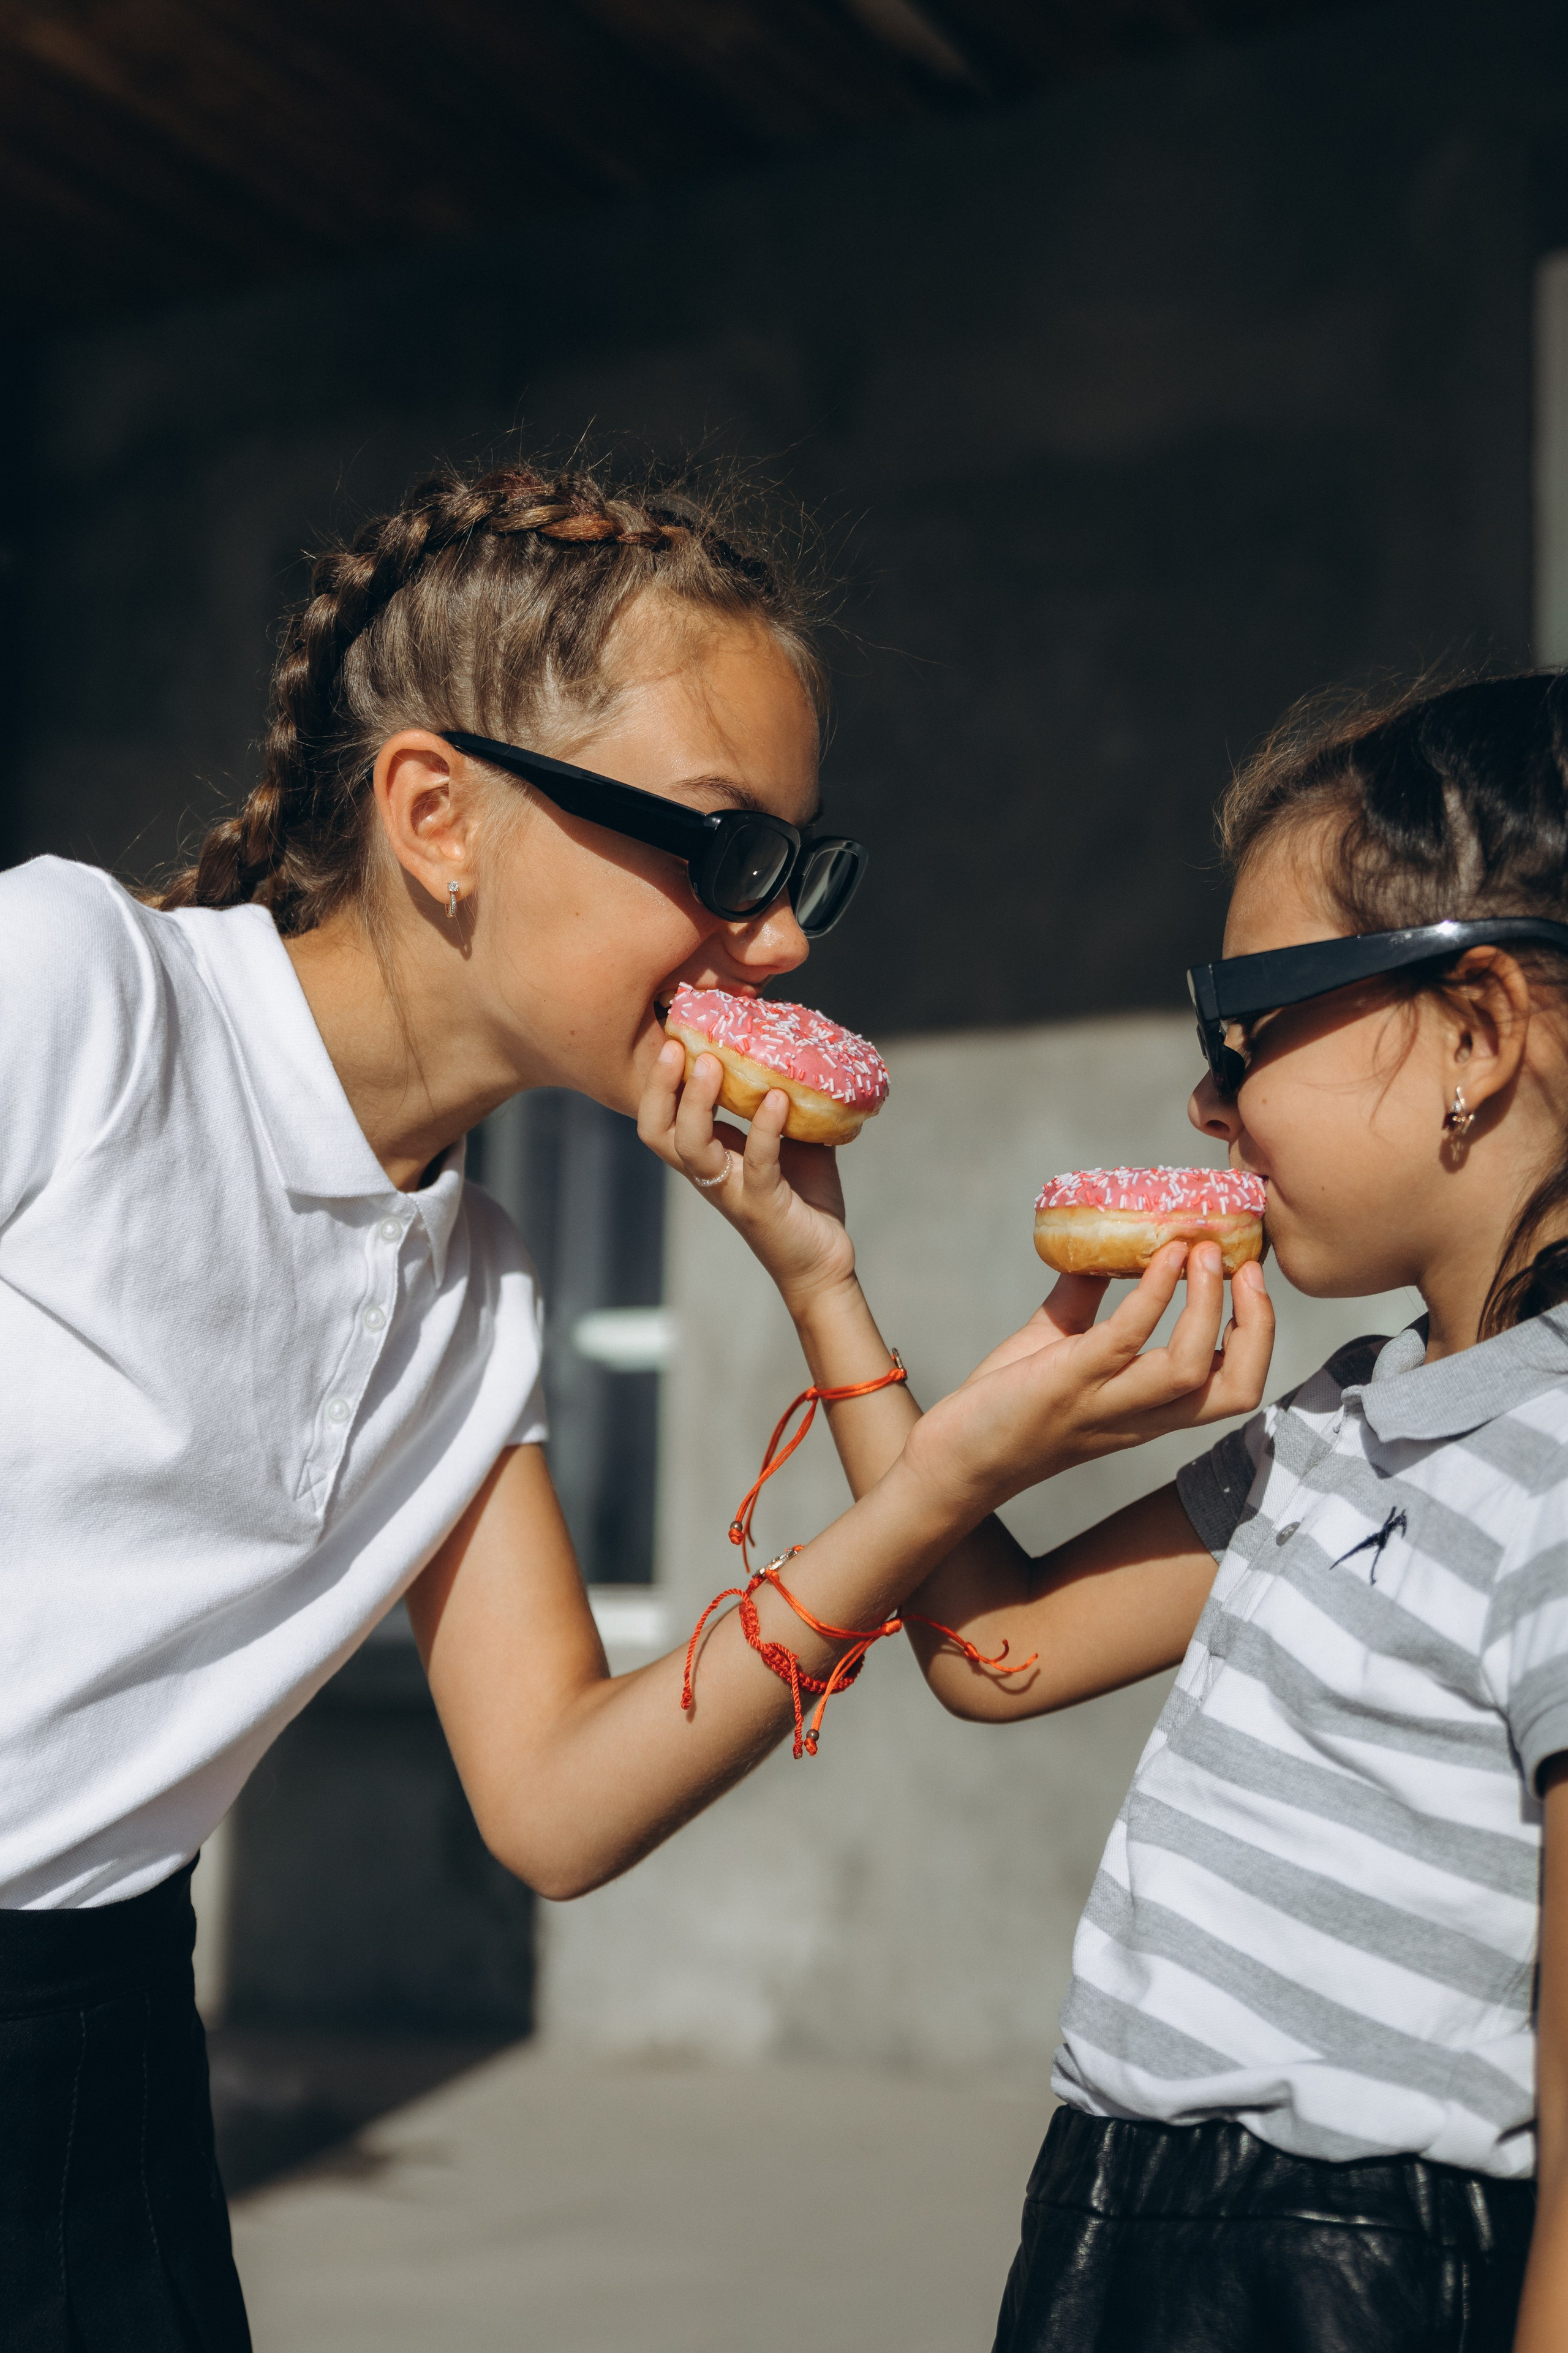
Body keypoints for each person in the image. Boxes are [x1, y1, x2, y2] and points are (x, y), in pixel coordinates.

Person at [0, 456, 1270, 2347]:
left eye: (801, 867)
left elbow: (560, 1804)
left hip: (91, 2055)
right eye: (722, 850)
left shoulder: (478, 1287)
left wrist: (922, 1457)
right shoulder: (75, 991)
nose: (778, 940)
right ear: (441, 812)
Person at [649, 671, 1568, 2349]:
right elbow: (995, 1646)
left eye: (1248, 1021)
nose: (1208, 1099)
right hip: (1119, 2222)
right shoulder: (1334, 1420)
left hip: (1356, 2275)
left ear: (1480, 1033)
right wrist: (824, 1275)